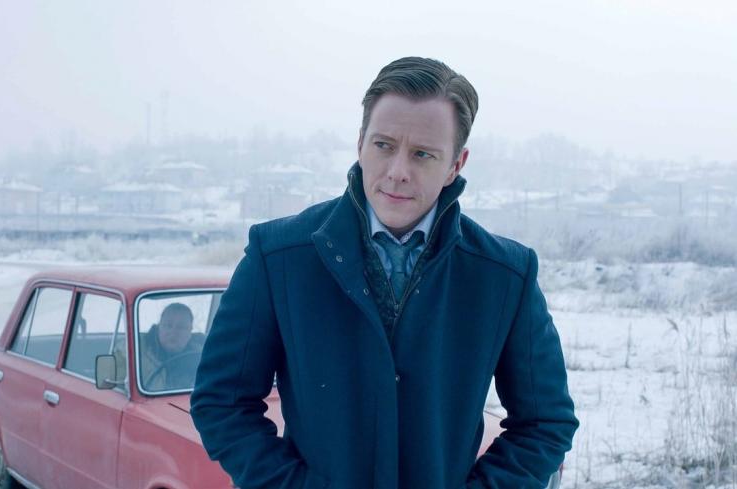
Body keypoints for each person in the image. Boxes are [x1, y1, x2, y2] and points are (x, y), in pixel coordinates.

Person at [191, 56, 578, 488]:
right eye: (383, 145)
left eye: (423, 154)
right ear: (360, 143)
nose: (397, 172)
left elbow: (545, 423)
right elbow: (222, 403)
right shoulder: (279, 257)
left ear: (456, 164)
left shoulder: (505, 276)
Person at [140, 302, 203, 391]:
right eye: (168, 325)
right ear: (159, 328)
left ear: (190, 332)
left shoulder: (203, 358)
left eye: (181, 327)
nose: (173, 332)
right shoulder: (137, 353)